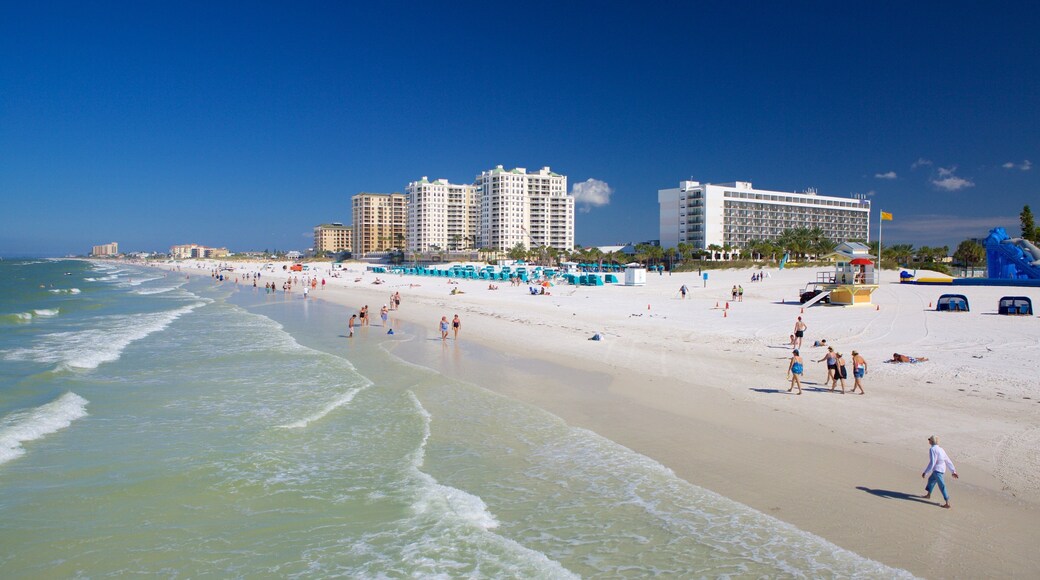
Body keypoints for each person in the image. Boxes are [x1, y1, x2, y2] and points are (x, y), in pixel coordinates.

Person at [922, 435, 959, 508]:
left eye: (929, 439)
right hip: (941, 470)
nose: (928, 440)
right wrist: (953, 471)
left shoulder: (932, 449)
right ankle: (928, 494)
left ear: (932, 441)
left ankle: (947, 503)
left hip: (937, 471)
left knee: (942, 486)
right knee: (931, 480)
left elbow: (932, 462)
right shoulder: (941, 449)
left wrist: (925, 472)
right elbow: (948, 460)